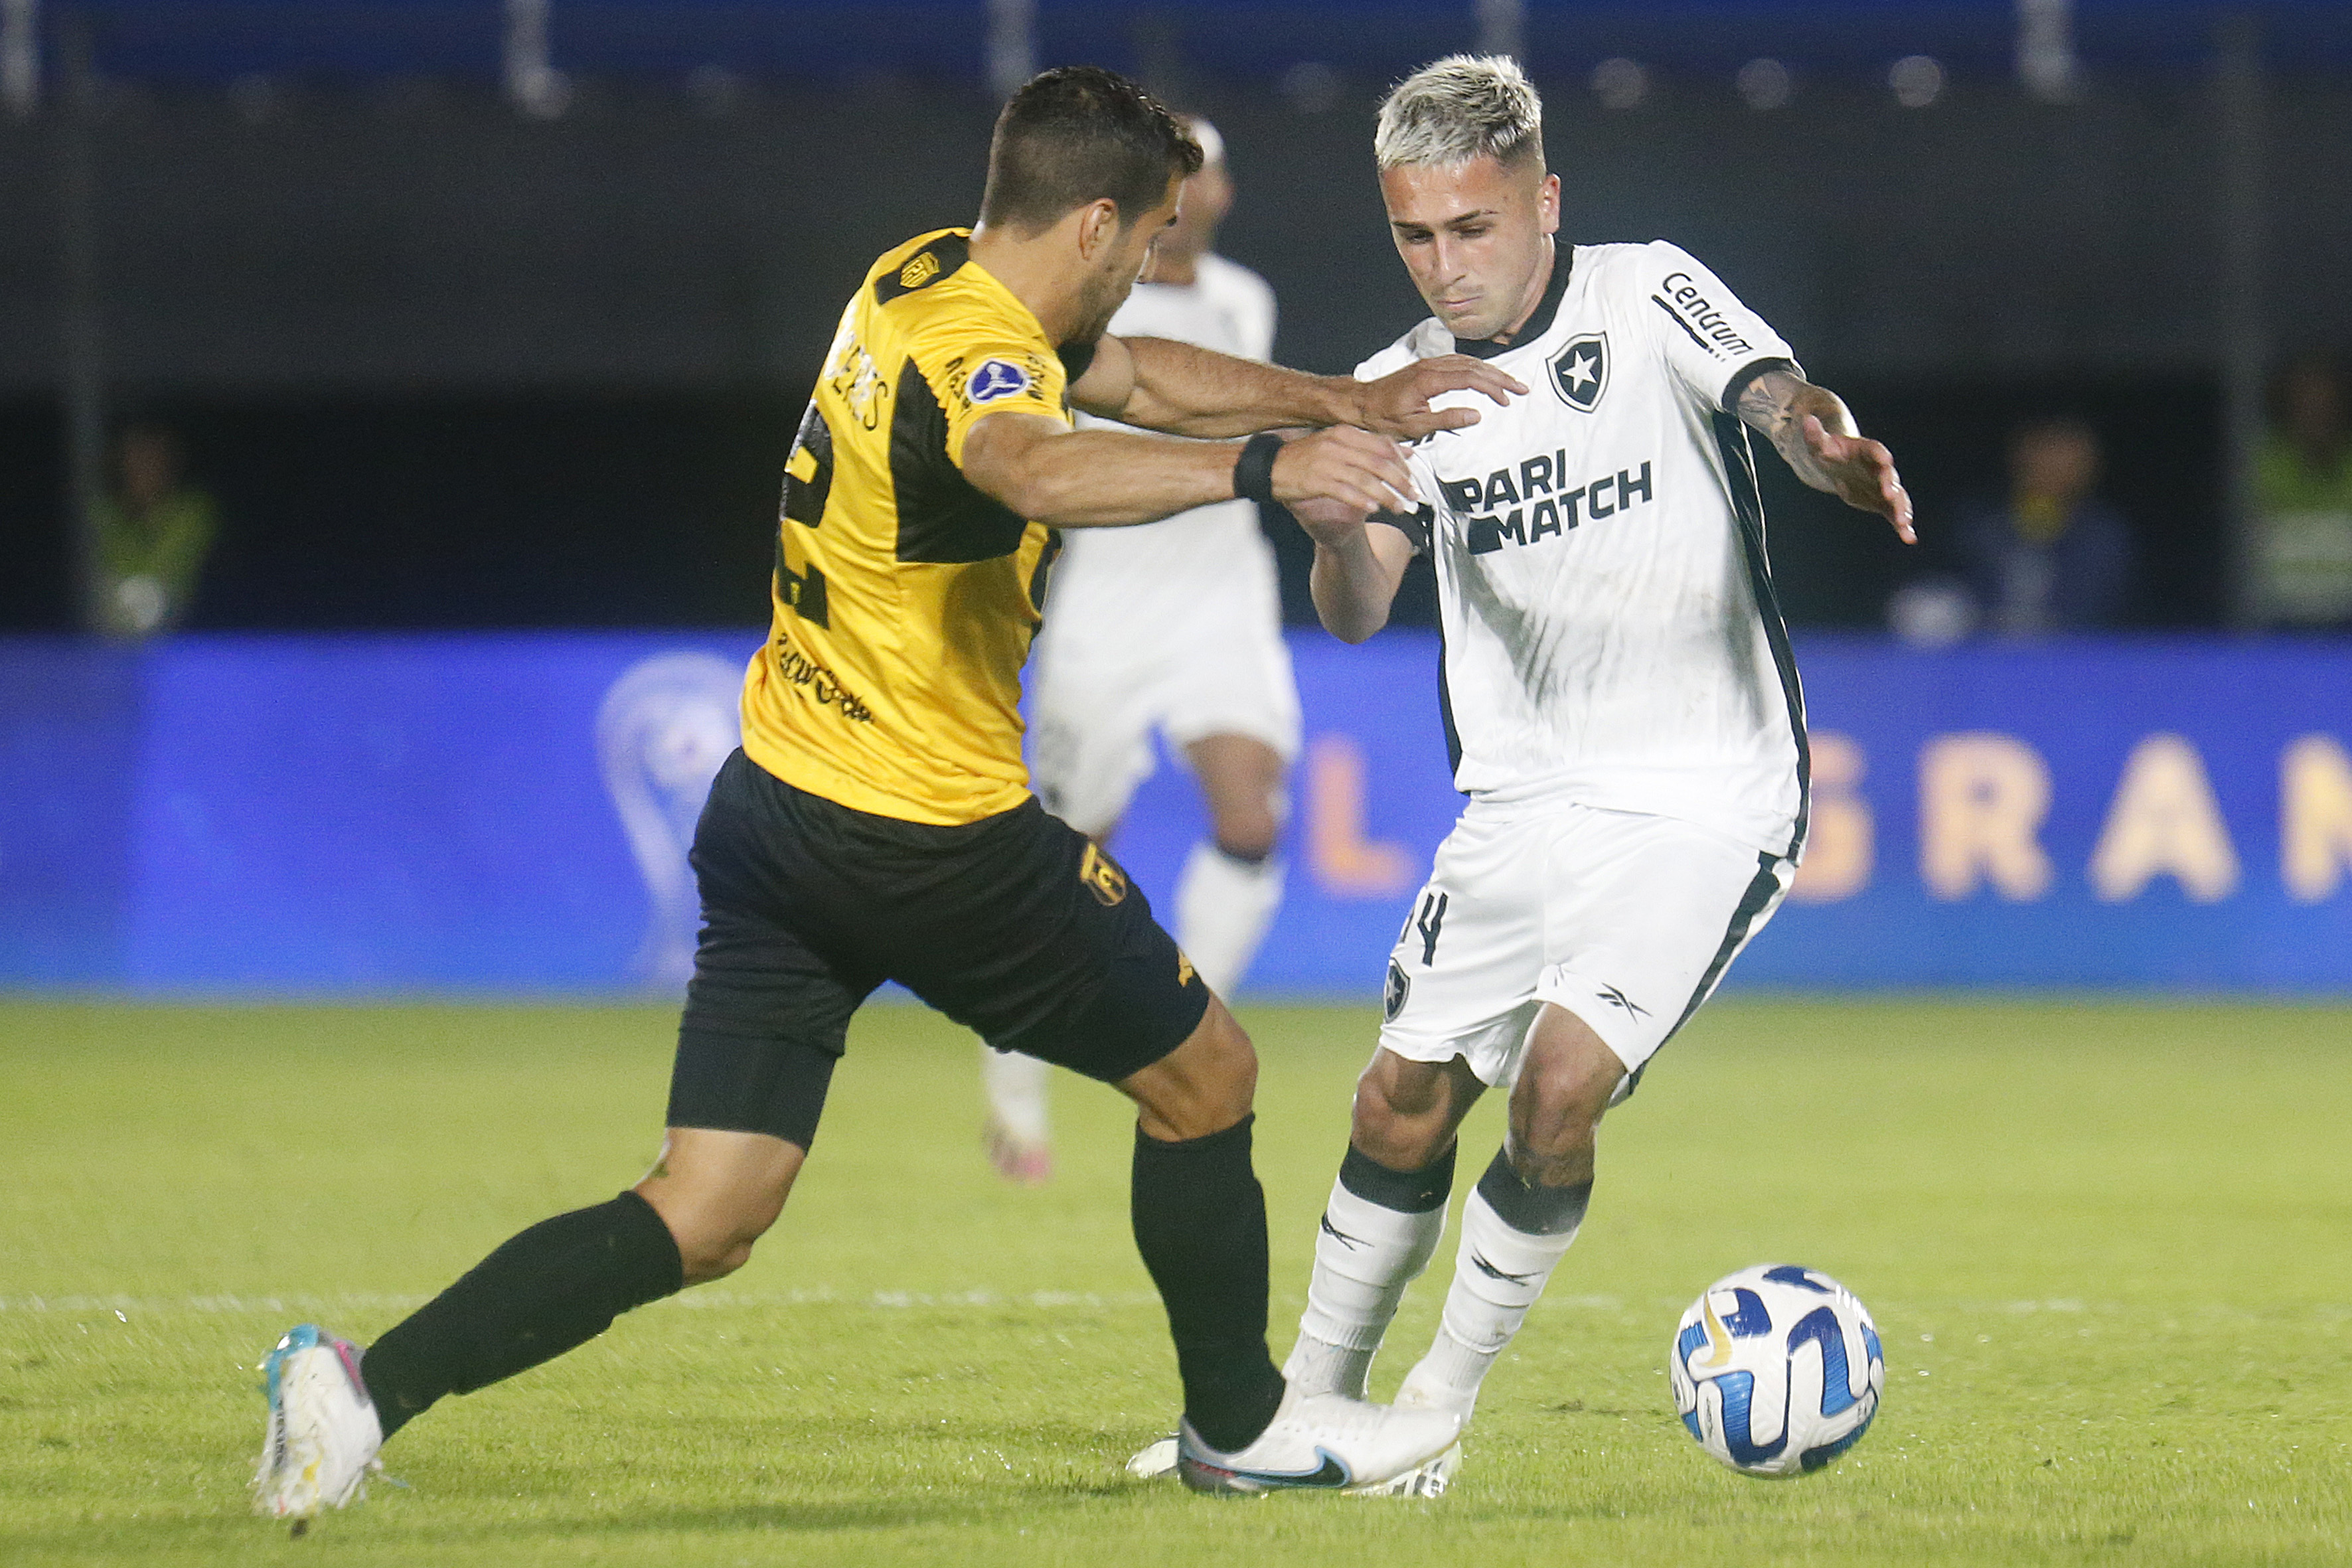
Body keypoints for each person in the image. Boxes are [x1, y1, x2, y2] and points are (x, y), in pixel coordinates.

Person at [248, 66, 1526, 1526]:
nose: (1154, 267)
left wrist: (1346, 400)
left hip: (776, 804)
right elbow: (1027, 457)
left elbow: (1129, 375)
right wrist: (1267, 467)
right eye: (1150, 238)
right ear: (1100, 220)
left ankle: (356, 1386)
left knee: (707, 1207)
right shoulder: (981, 367)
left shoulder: (920, 275)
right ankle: (1237, 1421)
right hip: (925, 833)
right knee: (1205, 1077)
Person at [1135, 55, 1912, 1492]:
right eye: (1415, 237)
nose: (1448, 265)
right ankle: (1301, 1407)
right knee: (1395, 1103)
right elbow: (1360, 604)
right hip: (1519, 798)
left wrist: (1827, 450)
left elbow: (1774, 398)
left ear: (1542, 202)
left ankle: (1429, 1410)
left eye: (1472, 228)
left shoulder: (1642, 292)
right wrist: (1327, 514)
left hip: (1702, 790)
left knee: (1557, 1090)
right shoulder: (1390, 388)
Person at [986, 116, 1298, 1185]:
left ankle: (1179, 1031)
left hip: (1220, 593)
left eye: (1206, 174)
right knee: (1071, 856)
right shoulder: (1080, 309)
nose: (1197, 191)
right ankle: (1016, 1090)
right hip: (1109, 596)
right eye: (1181, 175)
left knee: (1250, 817)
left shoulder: (1245, 300)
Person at [1950, 415, 2133, 635]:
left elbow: (2105, 612)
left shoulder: (2105, 536)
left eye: (2068, 453)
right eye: (2046, 450)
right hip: (1987, 655)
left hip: (2078, 658)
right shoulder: (1982, 525)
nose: (2054, 464)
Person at [2251, 353, 2352, 629]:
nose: (2316, 409)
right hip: (2279, 616)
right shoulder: (2266, 462)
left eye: (2325, 401)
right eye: (2306, 400)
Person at [93, 422, 218, 639]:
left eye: (154, 458)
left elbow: (168, 574)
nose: (146, 467)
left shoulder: (195, 512)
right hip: (106, 640)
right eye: (137, 458)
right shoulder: (100, 513)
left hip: (184, 636)